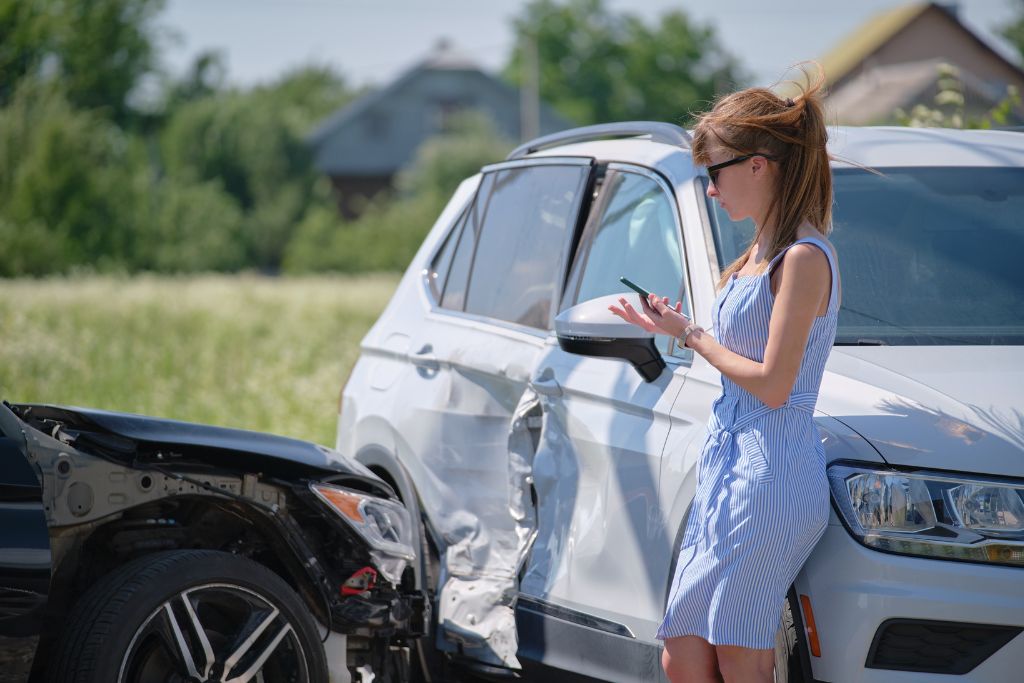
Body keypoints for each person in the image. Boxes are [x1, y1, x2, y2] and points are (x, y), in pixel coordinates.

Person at [609, 65, 840, 683]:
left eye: (715, 172)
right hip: (728, 465)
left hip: (772, 475)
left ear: (758, 164)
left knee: (738, 654)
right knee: (681, 650)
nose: (711, 190)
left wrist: (691, 335)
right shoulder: (754, 256)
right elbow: (737, 360)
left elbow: (773, 383)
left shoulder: (804, 257)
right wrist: (676, 329)